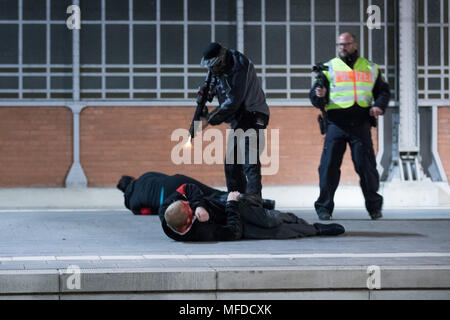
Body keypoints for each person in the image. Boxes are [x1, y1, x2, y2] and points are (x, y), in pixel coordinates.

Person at [310, 32, 390, 220]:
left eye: (346, 44)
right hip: (336, 124)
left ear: (354, 44)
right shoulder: (328, 68)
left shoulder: (370, 67)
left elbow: (383, 92)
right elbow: (314, 96)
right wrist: (318, 95)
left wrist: (379, 105)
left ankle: (374, 208)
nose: (342, 48)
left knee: (367, 168)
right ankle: (324, 208)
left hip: (360, 125)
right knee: (328, 167)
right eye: (339, 45)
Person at [199, 42, 270, 199]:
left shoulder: (240, 66)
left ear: (221, 60)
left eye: (214, 65)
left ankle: (254, 203)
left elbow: (233, 102)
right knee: (231, 163)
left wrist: (210, 119)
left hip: (254, 114)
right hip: (240, 119)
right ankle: (236, 200)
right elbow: (212, 82)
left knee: (249, 160)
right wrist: (206, 93)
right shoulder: (218, 69)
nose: (212, 70)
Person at [159, 183, 345, 242]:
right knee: (275, 231)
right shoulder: (203, 233)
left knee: (269, 220)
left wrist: (198, 204)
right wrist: (232, 206)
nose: (188, 204)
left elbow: (188, 188)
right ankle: (316, 229)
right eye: (189, 208)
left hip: (224, 204)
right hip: (232, 220)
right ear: (188, 220)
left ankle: (290, 217)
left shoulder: (169, 209)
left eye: (186, 204)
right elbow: (234, 233)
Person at [116, 171, 275, 215]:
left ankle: (257, 207)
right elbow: (163, 176)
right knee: (216, 193)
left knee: (211, 202)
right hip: (176, 181)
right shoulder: (145, 176)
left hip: (171, 198)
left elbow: (151, 211)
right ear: (132, 179)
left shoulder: (131, 204)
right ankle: (263, 202)